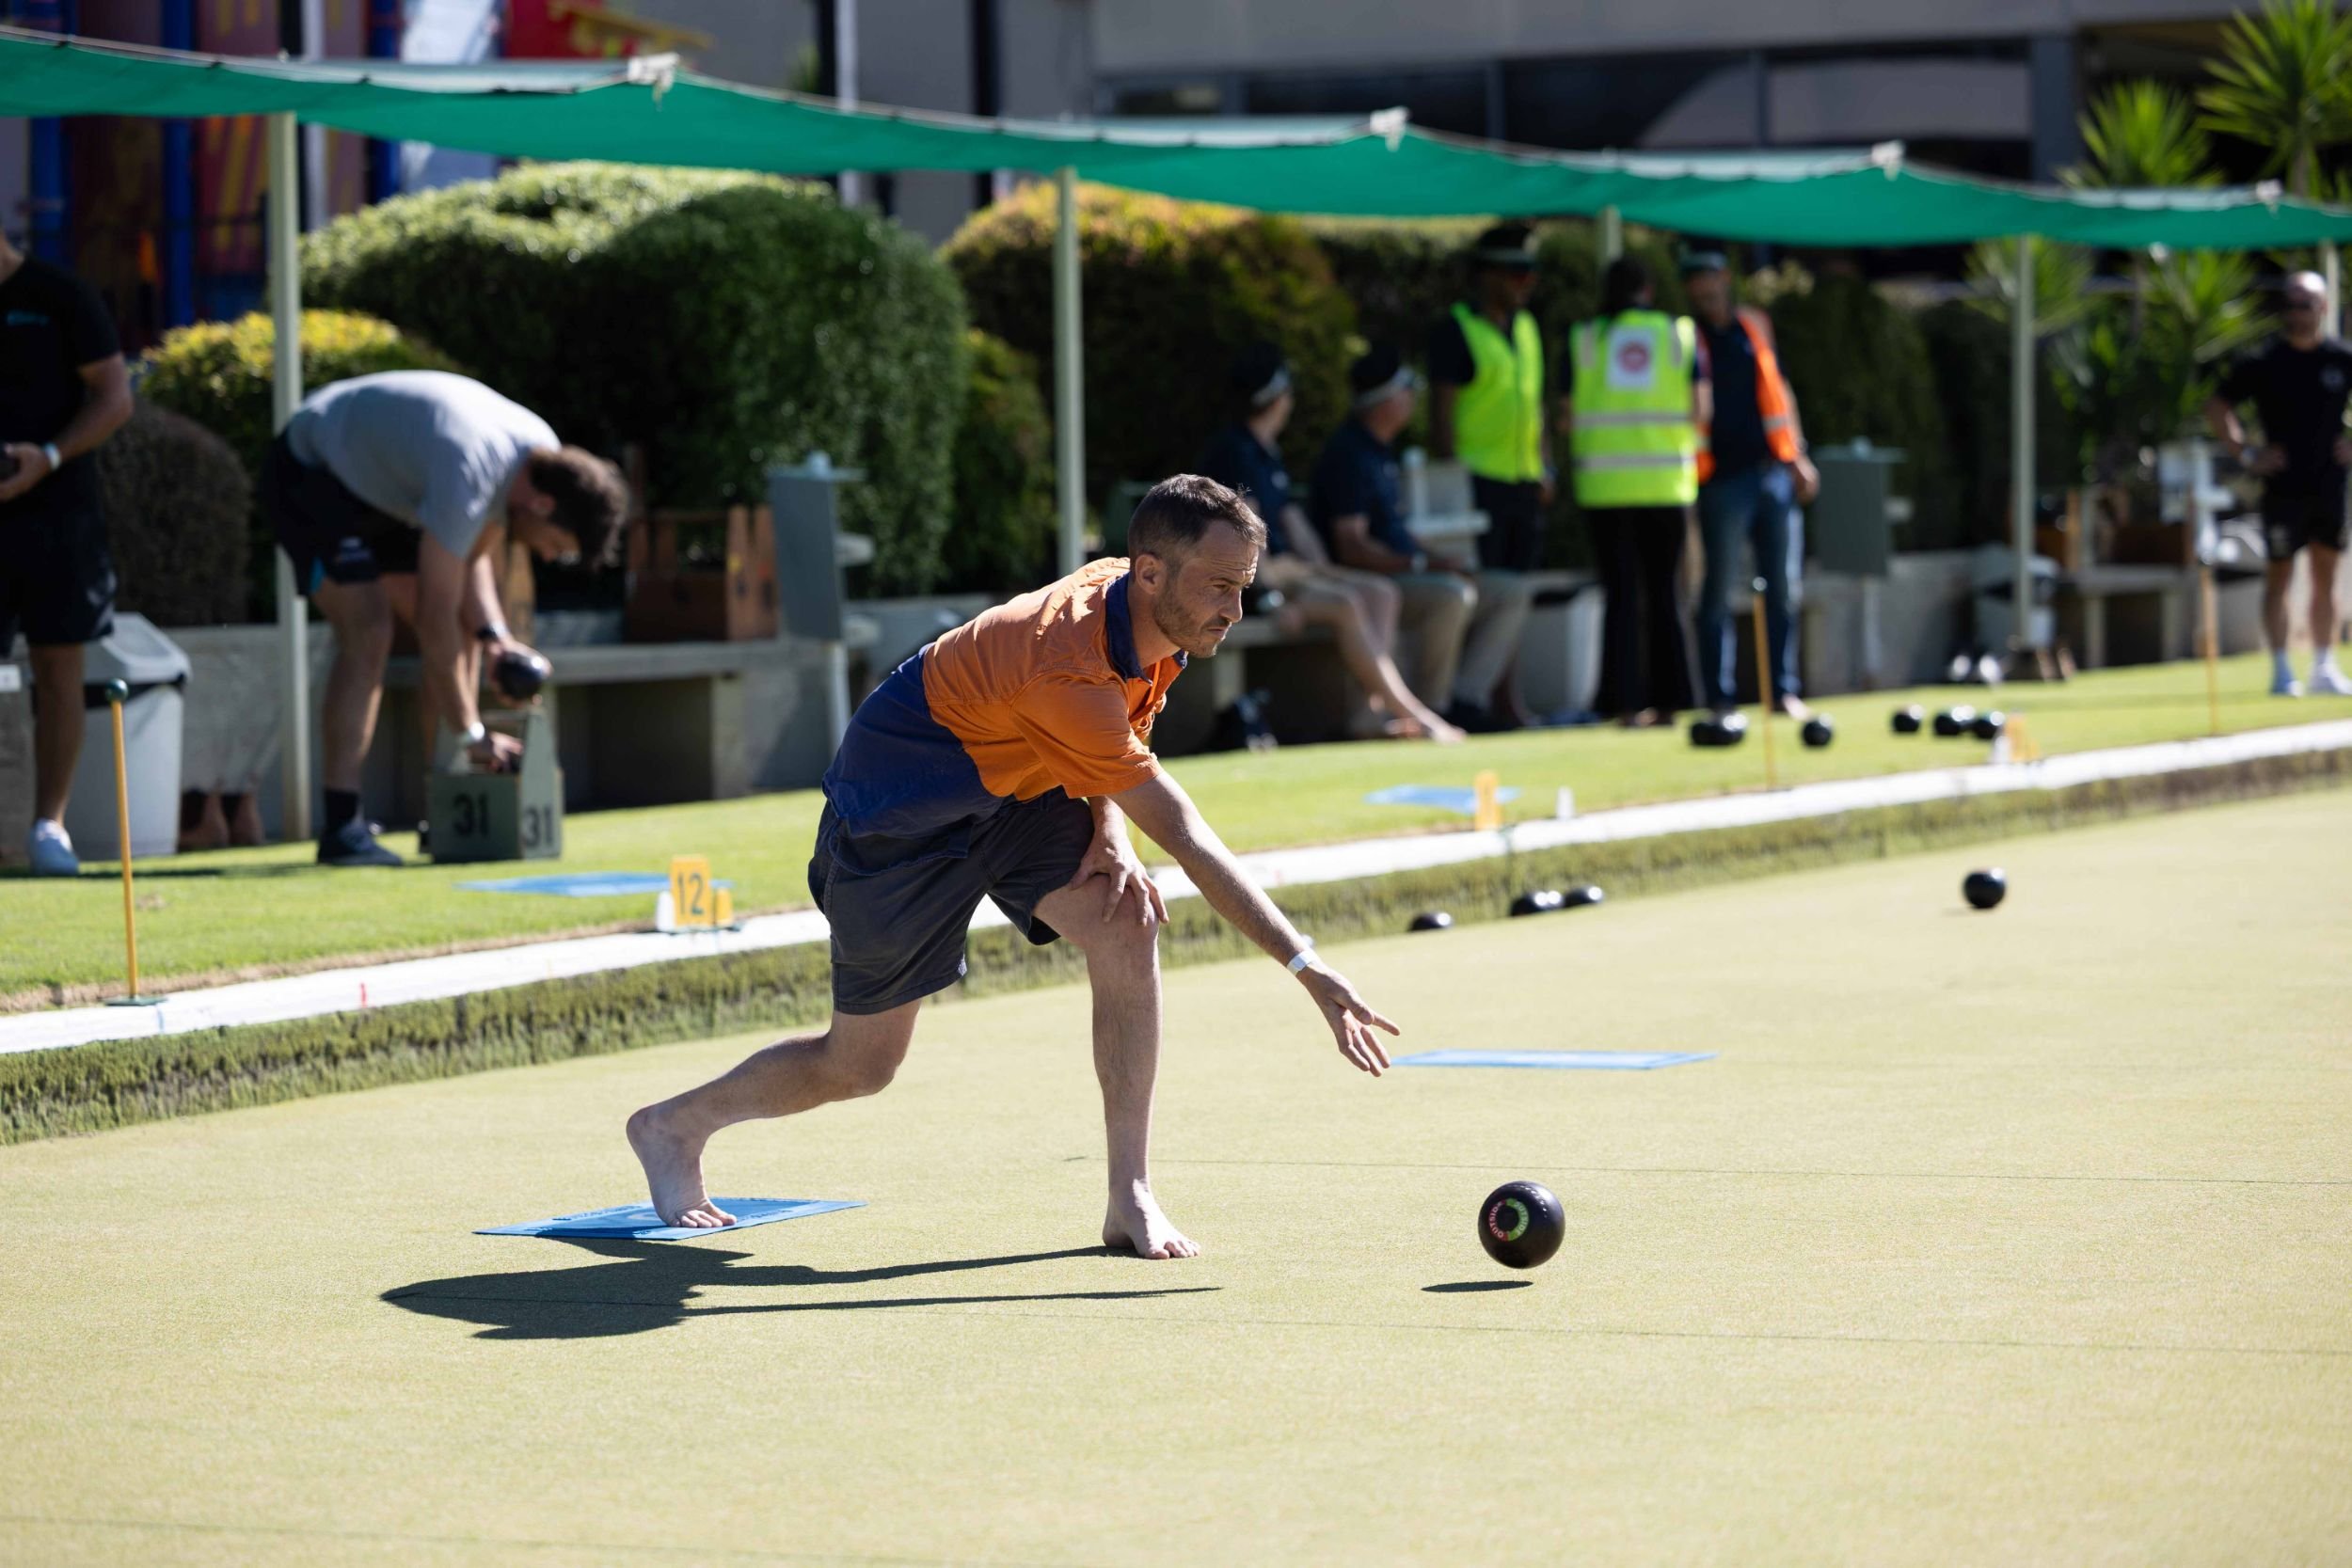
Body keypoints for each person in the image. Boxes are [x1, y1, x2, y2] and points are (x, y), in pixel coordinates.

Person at [626, 476, 1400, 1257]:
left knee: (1126, 919)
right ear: (1150, 571)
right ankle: (672, 1126)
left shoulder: (1153, 613)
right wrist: (1307, 967)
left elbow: (1118, 733)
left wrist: (1111, 831)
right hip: (901, 814)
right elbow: (1187, 835)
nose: (1235, 610)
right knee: (860, 1066)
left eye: (1243, 587)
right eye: (1220, 587)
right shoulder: (1066, 663)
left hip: (1016, 791)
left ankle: (1129, 1193)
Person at [261, 370, 628, 866]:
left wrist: (495, 638)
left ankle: (445, 813)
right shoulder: (471, 471)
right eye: (556, 546)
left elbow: (471, 556)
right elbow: (434, 615)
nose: (545, 556)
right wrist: (470, 732)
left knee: (465, 632)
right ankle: (342, 828)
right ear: (543, 505)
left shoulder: (537, 455)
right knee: (369, 629)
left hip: (385, 488)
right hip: (311, 470)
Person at [1196, 342, 1463, 743]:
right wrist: (1270, 596)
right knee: (1347, 602)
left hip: (1287, 574)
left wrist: (1331, 573)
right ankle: (1411, 712)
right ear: (1276, 397)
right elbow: (1243, 537)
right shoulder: (1235, 452)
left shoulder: (1266, 453)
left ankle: (1368, 715)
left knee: (1380, 592)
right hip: (1252, 585)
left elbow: (1295, 525)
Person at [1310, 346, 1536, 732]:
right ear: (1385, 400)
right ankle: (1434, 709)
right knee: (1451, 595)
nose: (1413, 396)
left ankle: (1467, 700)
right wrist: (1424, 565)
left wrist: (1441, 561)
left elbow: (1396, 533)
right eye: (1407, 387)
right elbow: (1353, 548)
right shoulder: (1349, 455)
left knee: (1510, 591)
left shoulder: (1381, 451)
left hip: (1408, 572)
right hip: (1374, 581)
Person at [0, 231, 134, 876]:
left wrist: (47, 457)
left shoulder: (59, 295)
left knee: (58, 670)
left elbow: (115, 397)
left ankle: (49, 826)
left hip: (59, 515)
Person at [1561, 256, 1705, 725]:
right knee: (1667, 595)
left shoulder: (1584, 339)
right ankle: (1672, 703)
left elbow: (1565, 415)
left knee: (1620, 597)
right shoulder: (1678, 335)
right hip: (1667, 485)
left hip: (1604, 487)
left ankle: (1621, 704)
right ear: (1649, 290)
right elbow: (1702, 410)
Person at [1682, 250, 1820, 721]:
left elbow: (1780, 391)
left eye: (1708, 277)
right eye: (1694, 281)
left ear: (1724, 278)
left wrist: (1797, 456)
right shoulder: (1686, 337)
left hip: (1772, 473)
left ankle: (1783, 690)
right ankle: (1718, 699)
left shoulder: (1755, 324)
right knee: (1718, 592)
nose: (1703, 289)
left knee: (1782, 588)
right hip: (1720, 480)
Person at [2204, 270, 2352, 697]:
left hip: (2329, 485)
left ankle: (2324, 666)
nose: (2296, 313)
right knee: (2279, 575)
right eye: (2289, 305)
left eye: (2304, 304)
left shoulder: (2341, 358)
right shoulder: (2267, 362)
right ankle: (2282, 670)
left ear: (2322, 307)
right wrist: (2247, 454)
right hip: (2283, 488)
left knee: (2326, 576)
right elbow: (2218, 405)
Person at [1428, 222, 1551, 724]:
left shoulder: (1527, 328)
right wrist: (1454, 487)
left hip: (1523, 484)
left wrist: (1545, 465)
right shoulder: (1457, 330)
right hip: (1477, 488)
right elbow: (1441, 417)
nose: (1526, 284)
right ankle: (1463, 701)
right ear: (1488, 275)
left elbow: (1535, 406)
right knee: (1480, 598)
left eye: (1530, 274)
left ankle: (1502, 703)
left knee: (1514, 598)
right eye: (1516, 274)